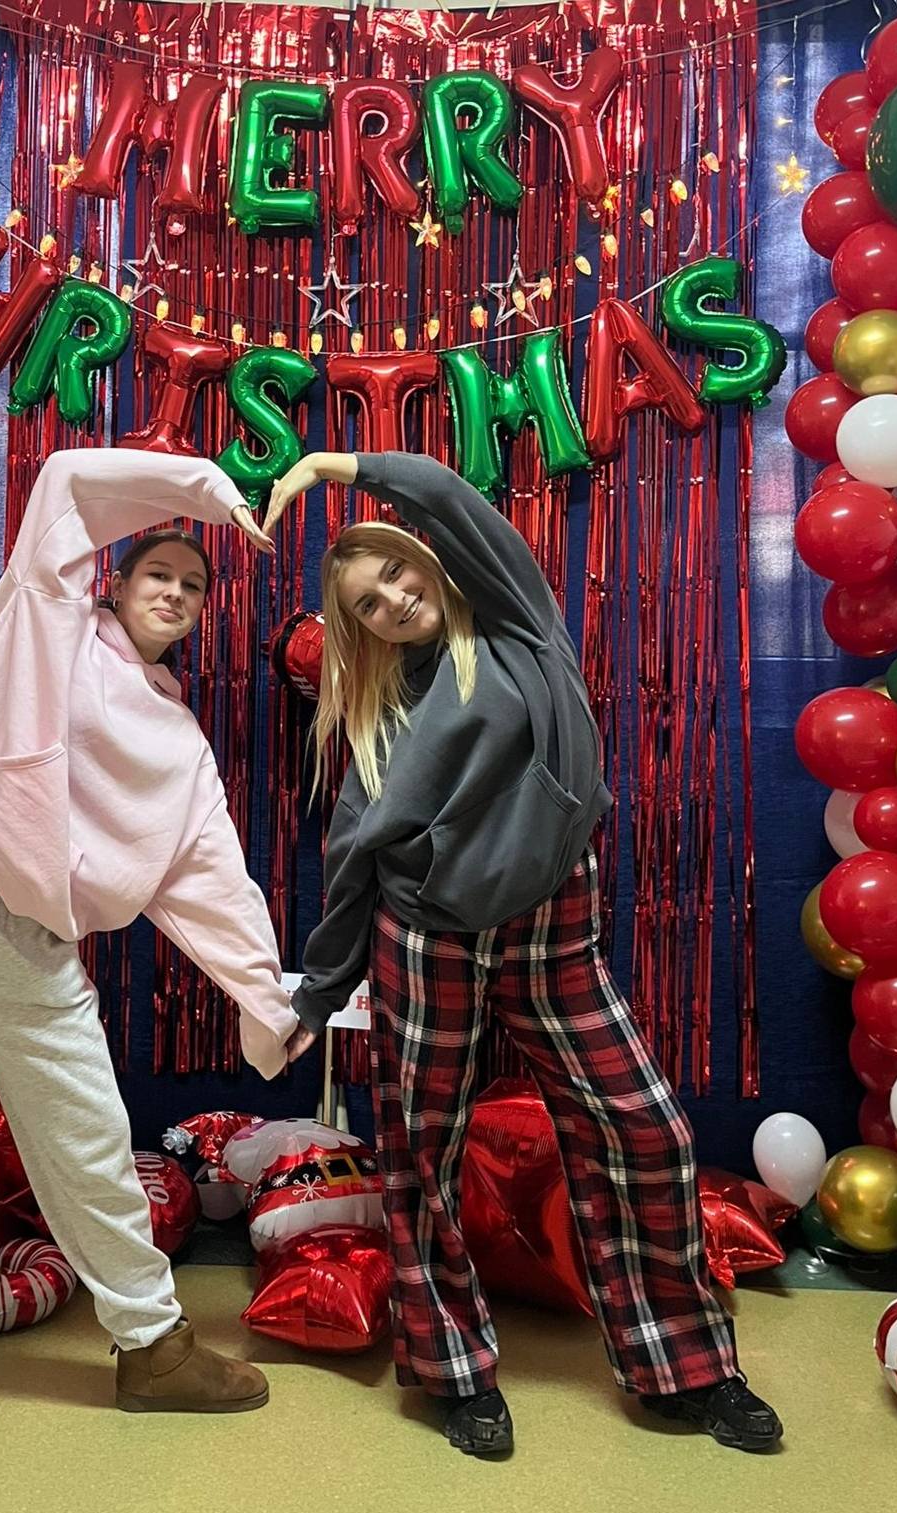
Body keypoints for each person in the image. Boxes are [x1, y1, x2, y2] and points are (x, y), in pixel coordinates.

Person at [271, 450, 782, 1460]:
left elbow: (447, 496)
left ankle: (685, 1365)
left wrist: (336, 466)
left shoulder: (514, 625)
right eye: (369, 603)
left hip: (553, 925)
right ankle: (453, 1372)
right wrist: (319, 993)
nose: (394, 599)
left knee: (642, 1127)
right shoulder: (381, 711)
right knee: (419, 1151)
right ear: (360, 630)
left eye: (396, 572)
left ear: (428, 560)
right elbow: (352, 857)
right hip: (426, 937)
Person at [0, 449, 301, 1457]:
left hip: (27, 938)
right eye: (158, 572)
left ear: (200, 613)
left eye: (193, 585)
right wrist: (207, 494)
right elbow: (65, 484)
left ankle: (154, 1347)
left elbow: (212, 875)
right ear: (115, 582)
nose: (174, 591)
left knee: (90, 1139)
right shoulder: (43, 617)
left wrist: (268, 998)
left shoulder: (176, 742)